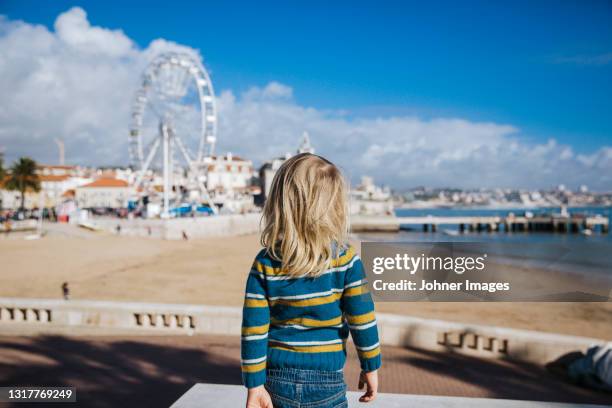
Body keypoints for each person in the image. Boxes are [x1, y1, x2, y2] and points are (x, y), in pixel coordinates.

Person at [242, 153, 381, 408]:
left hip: (276, 380)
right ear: (335, 205)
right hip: (327, 381)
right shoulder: (347, 260)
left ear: (280, 203)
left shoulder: (266, 262)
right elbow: (363, 320)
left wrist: (254, 385)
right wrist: (370, 366)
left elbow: (254, 330)